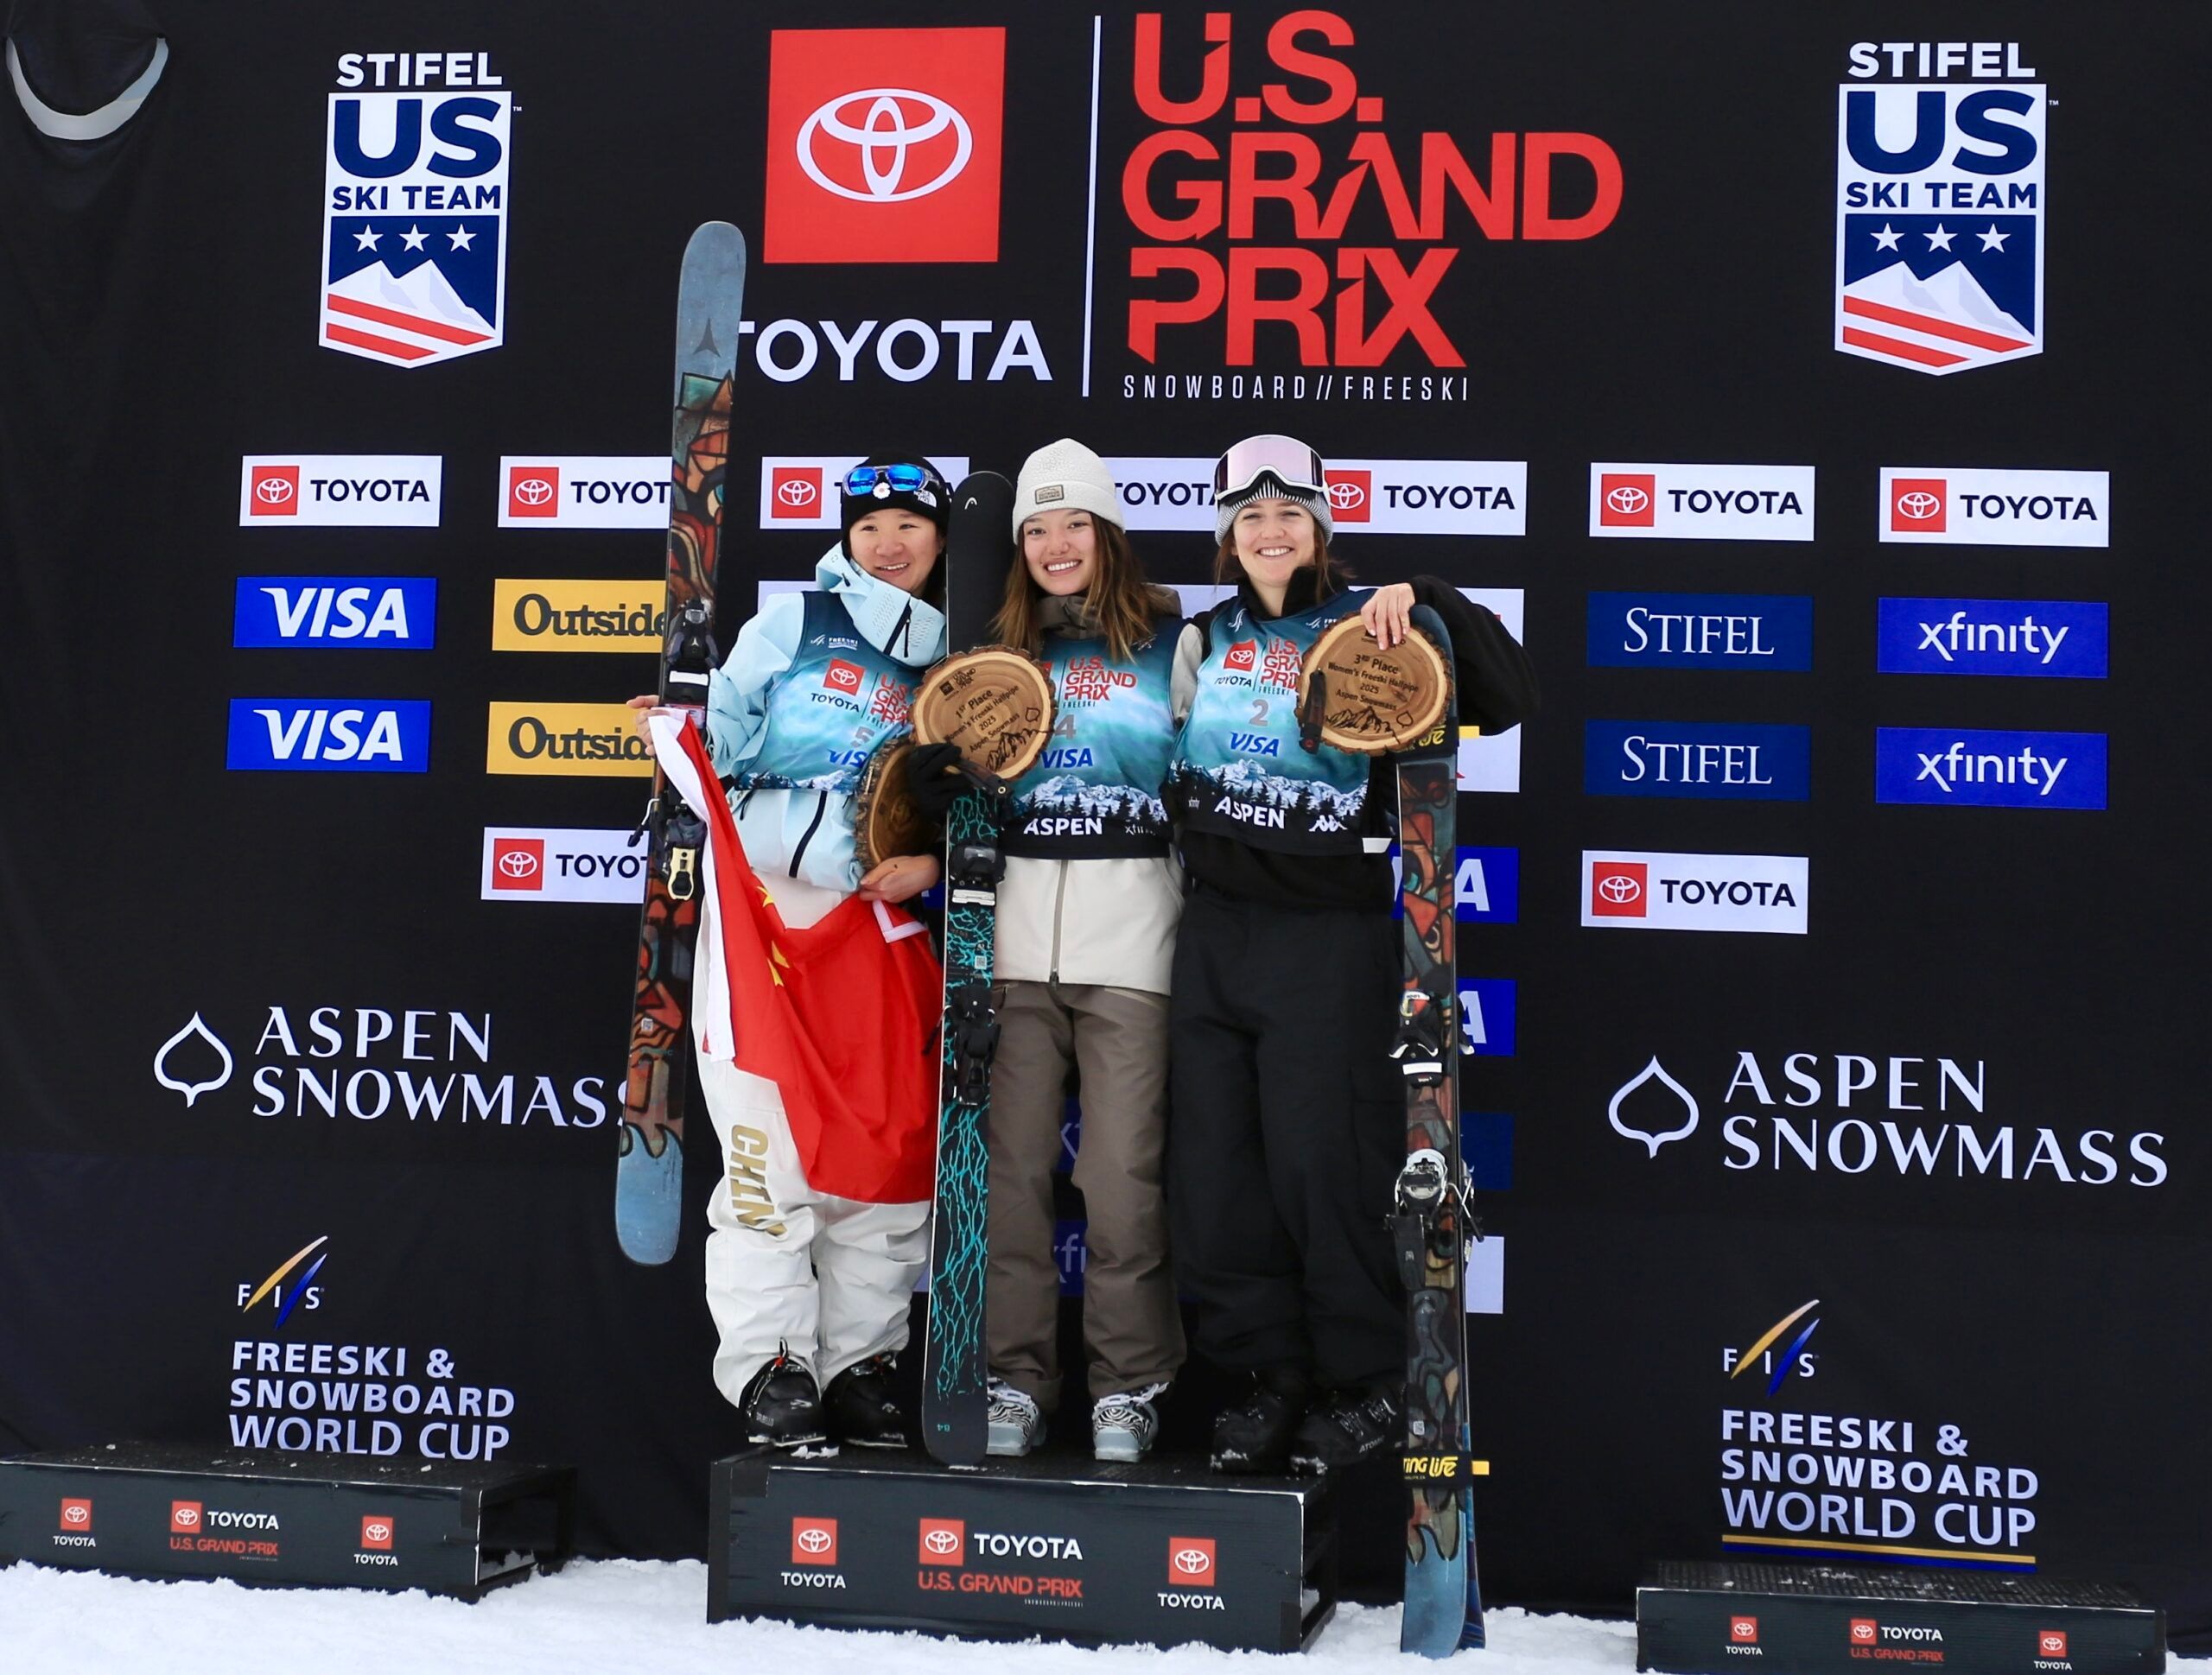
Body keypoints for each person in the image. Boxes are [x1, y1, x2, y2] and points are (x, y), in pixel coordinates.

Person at [1164, 433, 1537, 1475]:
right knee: (1219, 1169)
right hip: (1210, 931)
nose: (1270, 531)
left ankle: (1365, 1380)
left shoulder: (1374, 620)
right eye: (1249, 515)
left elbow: (1507, 699)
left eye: (1290, 513)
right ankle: (1264, 1374)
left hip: (1321, 934)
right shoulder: (1204, 637)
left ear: (1321, 524)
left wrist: (1429, 600)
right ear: (1227, 535)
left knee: (1322, 1161)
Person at [629, 454, 954, 1453]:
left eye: (909, 525)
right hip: (765, 915)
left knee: (887, 1151)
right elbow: (716, 747)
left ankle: (860, 1362)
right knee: (768, 1152)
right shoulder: (792, 626)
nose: (889, 544)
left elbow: (977, 791)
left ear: (942, 539)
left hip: (877, 925)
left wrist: (932, 862)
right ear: (843, 541)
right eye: (869, 528)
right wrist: (670, 738)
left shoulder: (960, 652)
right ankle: (774, 1366)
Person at [909, 440, 1196, 1462]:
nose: (1056, 544)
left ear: (1107, 535)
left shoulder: (1176, 641)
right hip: (1013, 941)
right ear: (1020, 542)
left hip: (1134, 945)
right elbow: (941, 773)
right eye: (1038, 528)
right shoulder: (996, 651)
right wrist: (938, 794)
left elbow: (1225, 772)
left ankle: (1128, 1384)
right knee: (1012, 1178)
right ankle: (1015, 1376)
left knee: (1120, 1181)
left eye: (1075, 524)